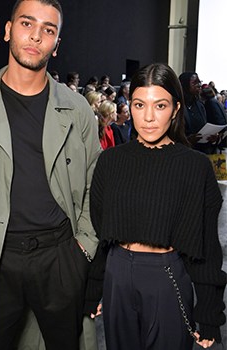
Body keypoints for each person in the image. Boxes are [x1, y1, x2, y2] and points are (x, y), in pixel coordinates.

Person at [0, 1, 102, 350]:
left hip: (59, 256)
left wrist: (82, 250)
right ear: (9, 29)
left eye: (48, 29)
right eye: (27, 23)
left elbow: (94, 187)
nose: (36, 36)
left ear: (56, 45)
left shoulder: (77, 110)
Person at [90, 63, 226, 350]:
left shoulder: (194, 166)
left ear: (176, 108)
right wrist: (94, 288)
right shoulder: (110, 162)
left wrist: (209, 315)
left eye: (160, 105)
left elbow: (207, 247)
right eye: (139, 104)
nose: (148, 117)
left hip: (166, 275)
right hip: (117, 275)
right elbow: (100, 234)